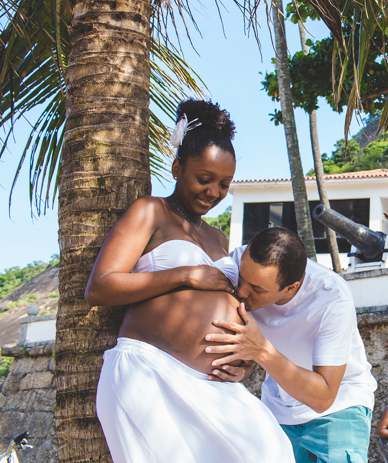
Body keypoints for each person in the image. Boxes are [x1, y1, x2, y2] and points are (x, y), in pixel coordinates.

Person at [86, 99, 294, 463]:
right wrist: (186, 274)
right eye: (204, 179)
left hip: (213, 387)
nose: (214, 191)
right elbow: (100, 287)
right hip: (150, 372)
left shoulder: (217, 237)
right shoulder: (151, 211)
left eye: (224, 184)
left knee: (271, 450)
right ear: (178, 167)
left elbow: (232, 306)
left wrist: (242, 362)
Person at [206, 227, 378, 463]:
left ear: (291, 288)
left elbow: (323, 397)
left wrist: (261, 351)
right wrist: (244, 368)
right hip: (278, 407)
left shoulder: (332, 299)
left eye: (257, 289)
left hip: (339, 408)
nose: (242, 291)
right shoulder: (236, 262)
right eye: (243, 278)